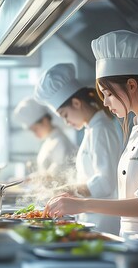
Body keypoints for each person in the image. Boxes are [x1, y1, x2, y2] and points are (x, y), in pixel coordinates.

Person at [42, 30, 138, 237]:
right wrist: (77, 201)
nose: (104, 102)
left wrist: (83, 204)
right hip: (131, 240)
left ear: (131, 85)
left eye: (108, 94)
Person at [34, 63, 121, 235]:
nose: (66, 122)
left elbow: (106, 182)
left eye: (64, 115)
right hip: (92, 218)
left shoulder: (101, 129)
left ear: (76, 103)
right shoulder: (92, 129)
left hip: (103, 222)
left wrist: (68, 189)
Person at [13, 97, 77, 182]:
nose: (34, 134)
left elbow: (57, 175)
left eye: (35, 129)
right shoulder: (49, 141)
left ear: (45, 120)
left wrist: (27, 179)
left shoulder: (60, 142)